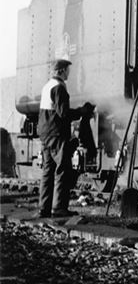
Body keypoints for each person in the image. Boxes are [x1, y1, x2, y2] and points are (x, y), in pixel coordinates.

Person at [37, 59, 93, 218]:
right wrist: (82, 111)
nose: (69, 73)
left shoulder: (47, 85)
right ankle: (59, 208)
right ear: (61, 71)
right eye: (68, 70)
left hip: (45, 133)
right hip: (56, 133)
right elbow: (64, 114)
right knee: (63, 168)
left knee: (48, 171)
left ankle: (44, 208)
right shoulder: (59, 87)